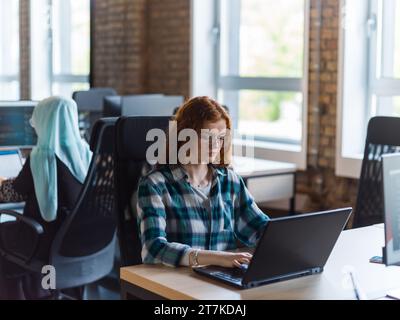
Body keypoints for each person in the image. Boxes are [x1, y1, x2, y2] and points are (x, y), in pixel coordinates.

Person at [137, 96, 269, 268]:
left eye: (221, 137)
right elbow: (153, 249)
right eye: (207, 137)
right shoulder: (155, 185)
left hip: (222, 281)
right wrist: (218, 258)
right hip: (177, 282)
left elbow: (260, 229)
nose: (216, 145)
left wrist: (289, 241)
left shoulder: (230, 181)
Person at [0, 96, 92, 299]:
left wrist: (2, 183)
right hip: (78, 242)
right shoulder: (86, 154)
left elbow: (12, 193)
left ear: (44, 121)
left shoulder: (42, 157)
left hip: (44, 242)